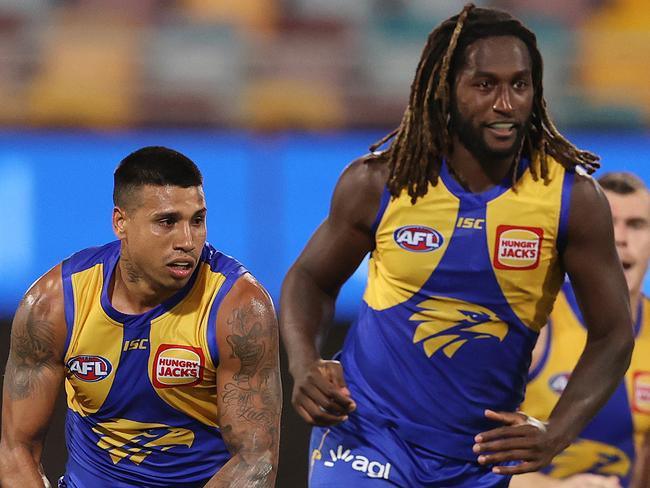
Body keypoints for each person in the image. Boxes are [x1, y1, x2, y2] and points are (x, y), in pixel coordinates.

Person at [280, 4, 634, 487]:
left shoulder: (573, 201)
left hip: (478, 462)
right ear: (445, 90)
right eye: (485, 85)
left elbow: (614, 333)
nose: (506, 103)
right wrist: (304, 364)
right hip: (366, 437)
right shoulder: (382, 182)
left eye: (520, 84)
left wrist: (556, 432)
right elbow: (309, 279)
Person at [0, 147, 281, 487]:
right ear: (121, 222)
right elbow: (15, 448)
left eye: (197, 220)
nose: (187, 241)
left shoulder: (237, 308)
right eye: (167, 222)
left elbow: (255, 460)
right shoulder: (54, 303)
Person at [512, 172, 650, 488]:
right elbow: (471, 453)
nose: (620, 237)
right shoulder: (535, 320)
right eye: (609, 222)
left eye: (636, 224)